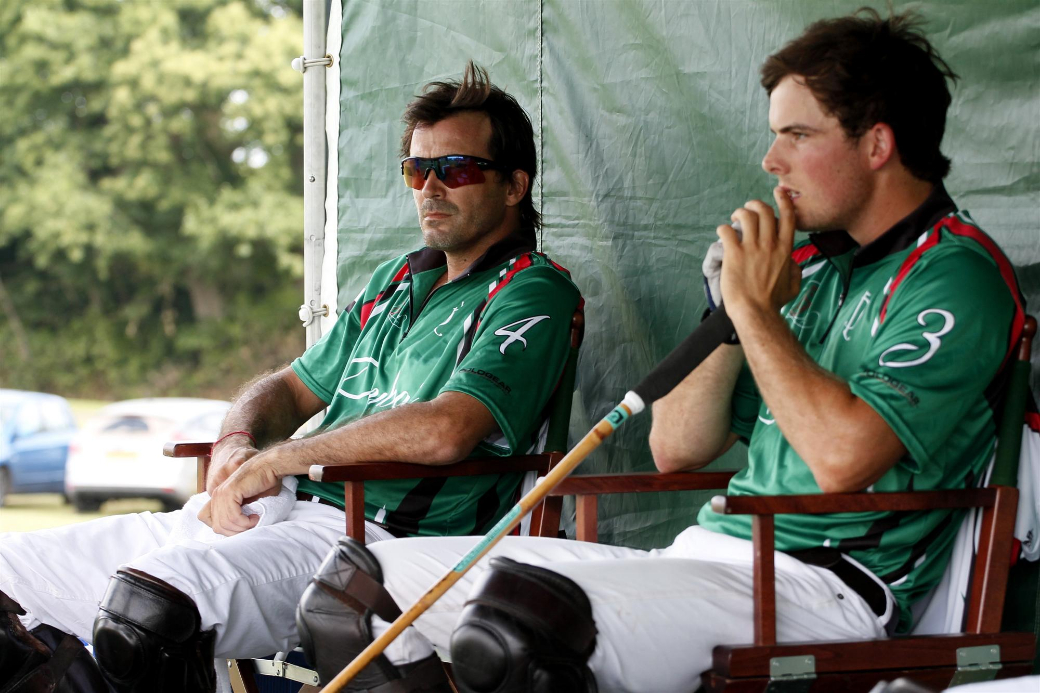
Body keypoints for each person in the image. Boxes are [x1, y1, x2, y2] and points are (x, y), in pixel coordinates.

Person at [294, 9, 1026, 693]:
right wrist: (726, 311)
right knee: (356, 588)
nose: (772, 160)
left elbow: (843, 459)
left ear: (877, 143)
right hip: (712, 554)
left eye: (797, 135)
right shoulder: (817, 273)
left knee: (519, 623)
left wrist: (753, 311)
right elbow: (680, 445)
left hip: (822, 587)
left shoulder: (954, 273)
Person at [0, 63, 582, 692]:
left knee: (146, 612)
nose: (430, 189)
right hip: (268, 513)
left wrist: (282, 460)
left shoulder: (533, 290)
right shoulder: (396, 281)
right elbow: (287, 387)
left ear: (514, 185)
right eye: (417, 170)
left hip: (371, 542)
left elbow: (448, 430)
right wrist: (237, 441)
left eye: (458, 170)